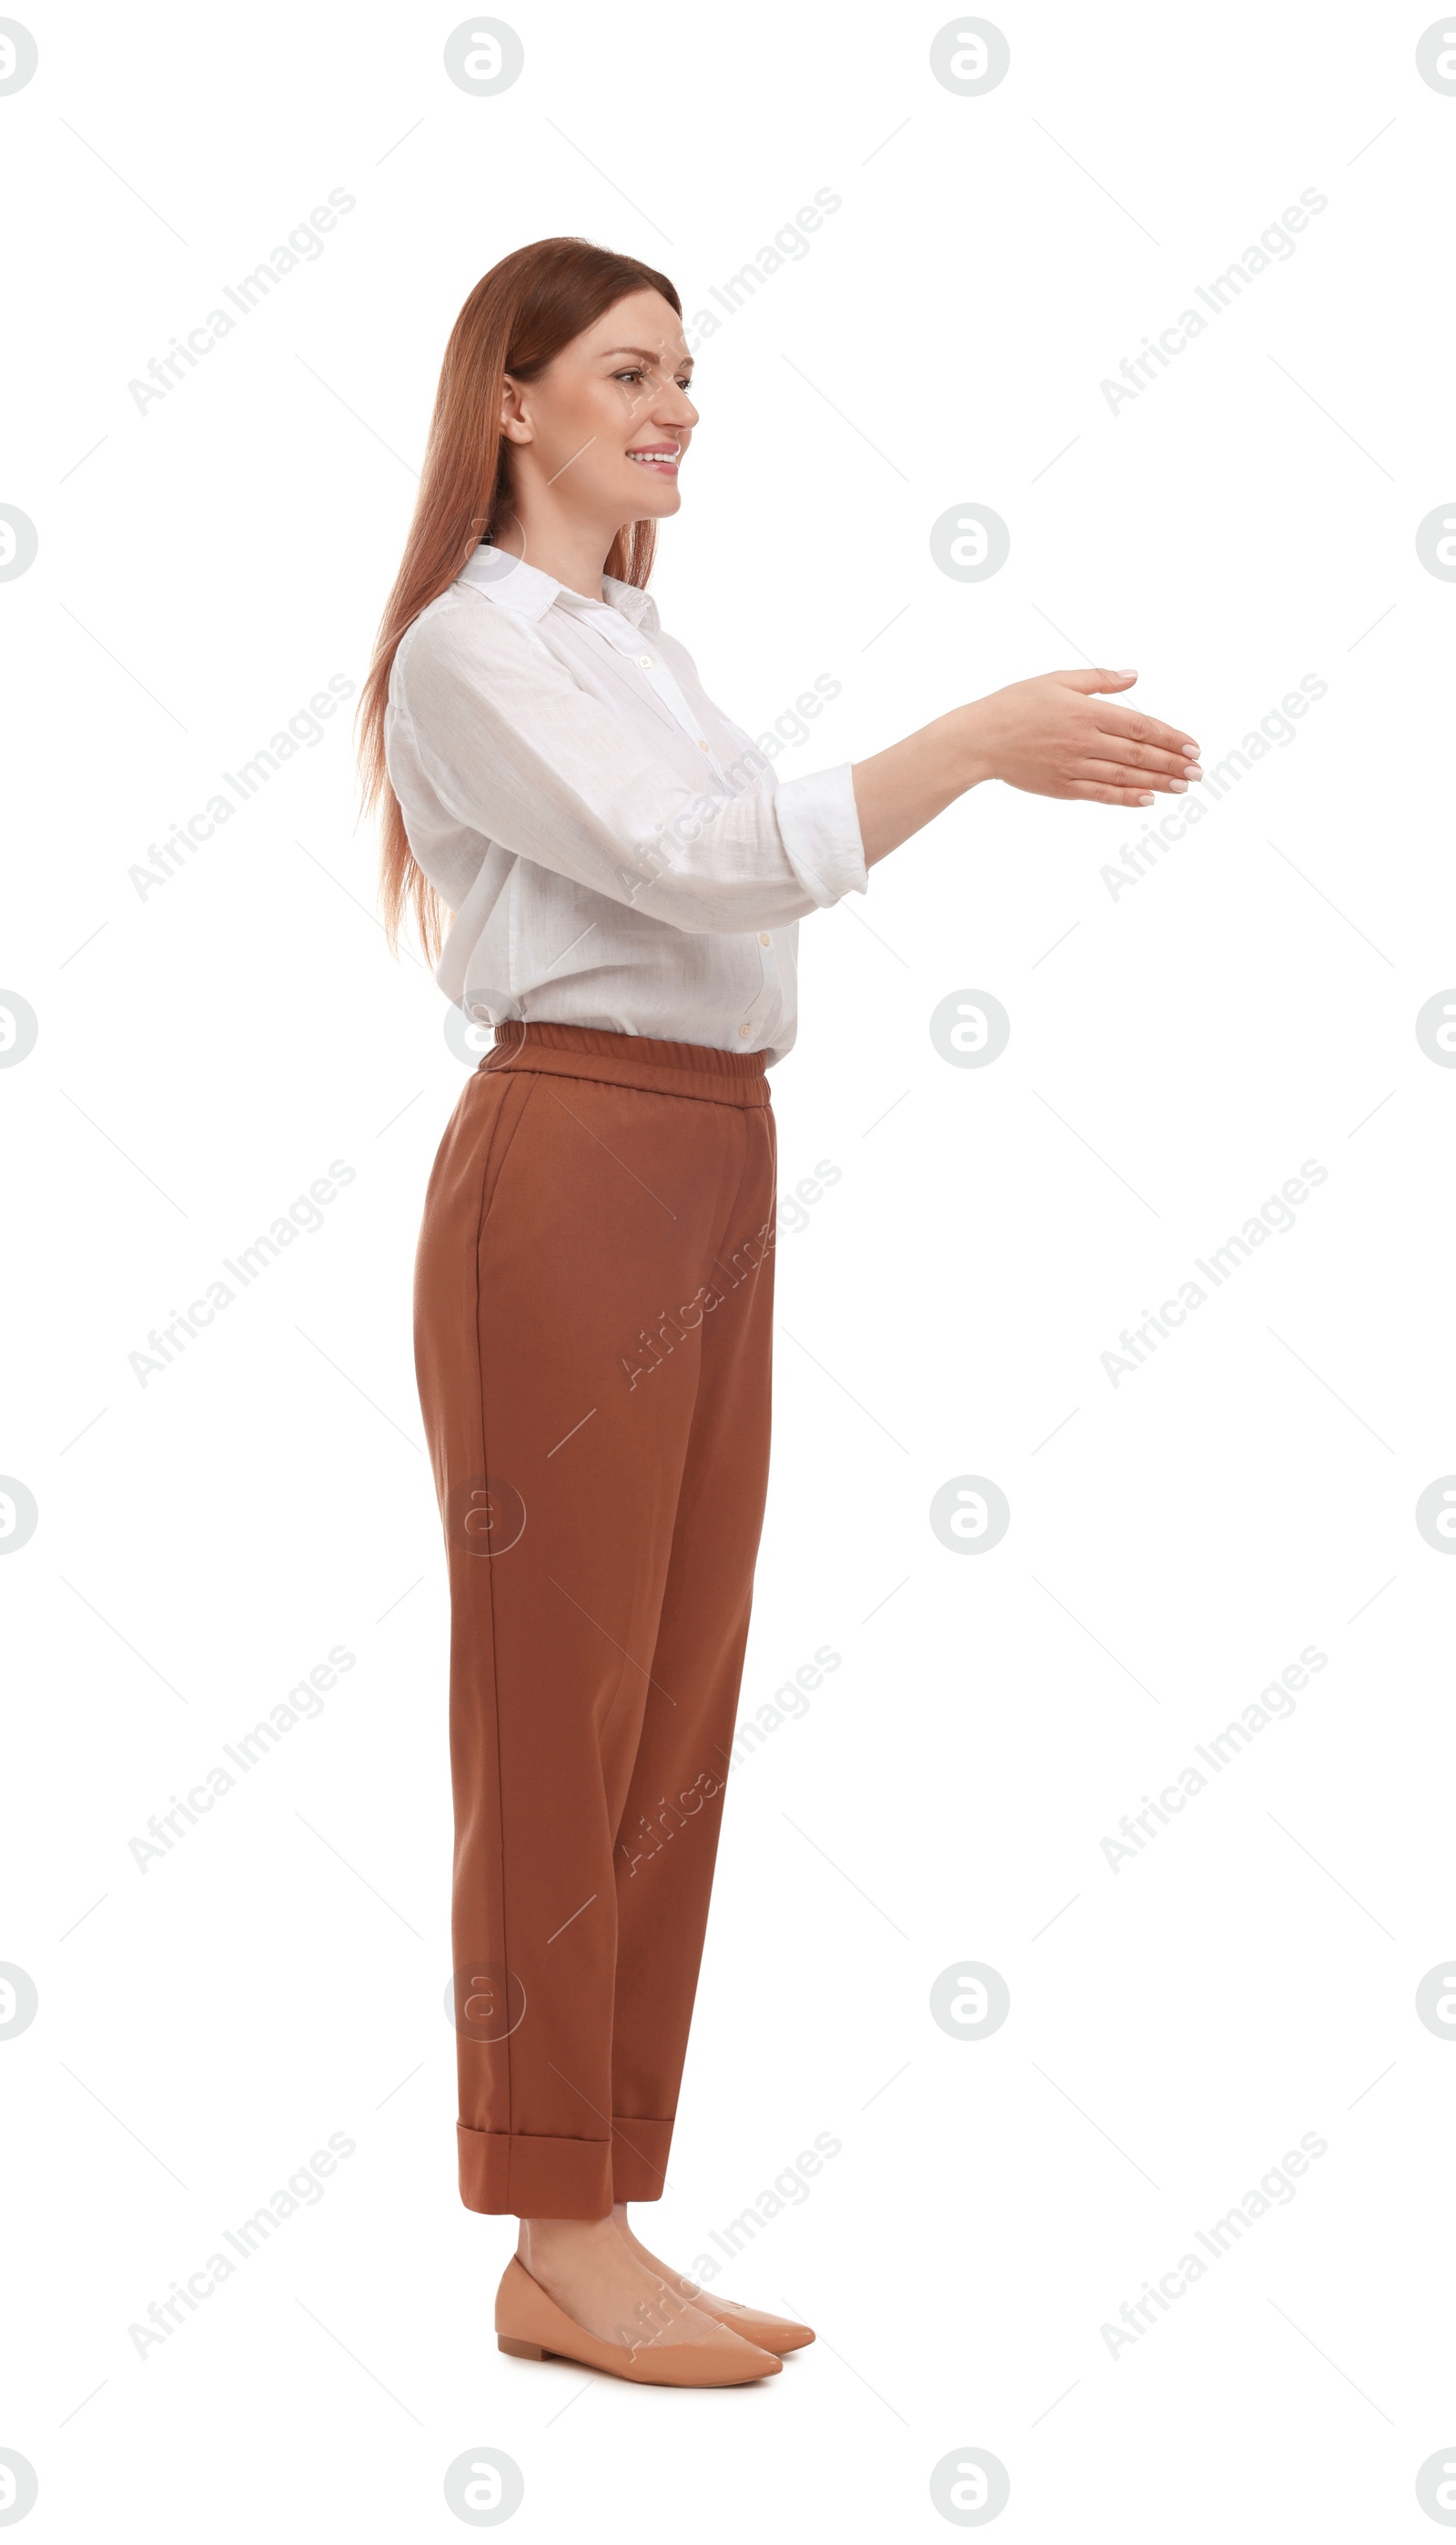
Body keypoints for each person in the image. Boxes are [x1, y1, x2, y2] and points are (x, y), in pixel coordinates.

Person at [357, 235, 1200, 2389]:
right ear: (512, 405)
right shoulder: (472, 651)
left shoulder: (632, 638)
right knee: (561, 1697)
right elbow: (717, 863)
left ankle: (597, 2213)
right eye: (629, 372)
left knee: (668, 1699)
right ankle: (550, 2214)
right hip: (568, 1163)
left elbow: (721, 847)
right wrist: (977, 743)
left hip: (704, 1153)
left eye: (686, 376)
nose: (675, 408)